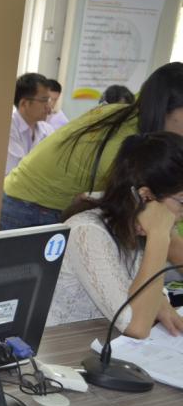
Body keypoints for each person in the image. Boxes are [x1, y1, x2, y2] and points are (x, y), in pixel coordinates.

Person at [0, 62, 183, 230]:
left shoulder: (127, 116)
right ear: (164, 107)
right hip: (29, 206)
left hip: (34, 198)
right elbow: (144, 217)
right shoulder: (124, 141)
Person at [48, 132, 183, 339]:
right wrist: (159, 237)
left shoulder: (136, 227)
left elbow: (148, 303)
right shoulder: (87, 232)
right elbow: (137, 327)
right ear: (145, 196)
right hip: (64, 350)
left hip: (103, 343)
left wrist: (159, 302)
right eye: (182, 201)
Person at [5, 73, 53, 175]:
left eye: (48, 100)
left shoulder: (48, 130)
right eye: (44, 100)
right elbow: (16, 173)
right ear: (24, 103)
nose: (48, 106)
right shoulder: (7, 128)